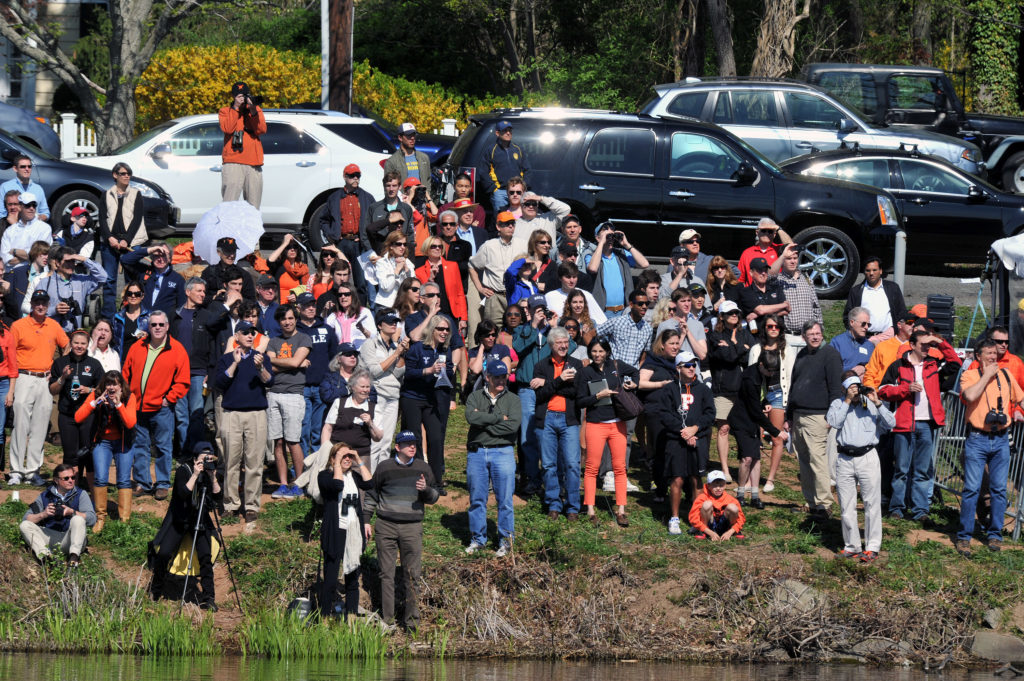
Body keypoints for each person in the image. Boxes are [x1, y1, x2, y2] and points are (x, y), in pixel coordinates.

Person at [878, 329, 960, 520]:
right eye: (923, 344)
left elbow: (955, 363)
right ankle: (897, 508)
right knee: (901, 469)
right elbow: (883, 390)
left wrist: (939, 342)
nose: (927, 348)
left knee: (922, 470)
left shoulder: (934, 365)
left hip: (927, 424)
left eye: (929, 345)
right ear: (912, 345)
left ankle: (920, 510)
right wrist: (905, 389)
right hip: (903, 424)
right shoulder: (897, 366)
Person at [362, 429, 439, 631]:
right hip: (385, 525)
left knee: (412, 574)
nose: (413, 446)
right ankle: (388, 621)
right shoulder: (384, 467)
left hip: (412, 527)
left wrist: (426, 490)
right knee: (386, 574)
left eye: (414, 443)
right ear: (397, 447)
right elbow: (372, 495)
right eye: (408, 444)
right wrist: (366, 520)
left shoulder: (424, 468)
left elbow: (434, 497)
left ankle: (411, 623)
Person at [956, 338, 1024, 556]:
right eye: (989, 353)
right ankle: (964, 536)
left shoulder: (1006, 375)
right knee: (971, 489)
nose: (994, 357)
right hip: (977, 439)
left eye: (995, 353)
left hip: (1002, 438)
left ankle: (995, 534)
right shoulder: (969, 375)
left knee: (998, 489)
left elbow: (1021, 399)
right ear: (978, 356)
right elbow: (970, 396)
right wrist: (986, 375)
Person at [123, 309, 191, 500]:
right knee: (140, 445)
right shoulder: (137, 347)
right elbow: (125, 373)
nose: (158, 328)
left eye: (161, 324)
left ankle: (162, 484)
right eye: (154, 324)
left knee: (163, 447)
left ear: (168, 326)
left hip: (161, 409)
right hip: (137, 407)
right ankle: (143, 483)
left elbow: (183, 380)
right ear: (149, 326)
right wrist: (128, 397)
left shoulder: (177, 349)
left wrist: (169, 399)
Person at [826, 371, 894, 562]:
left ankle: (872, 547)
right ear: (844, 388)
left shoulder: (871, 403)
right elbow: (834, 422)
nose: (856, 391)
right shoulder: (838, 403)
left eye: (857, 386)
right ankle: (852, 546)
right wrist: (847, 401)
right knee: (846, 505)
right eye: (851, 387)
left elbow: (891, 424)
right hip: (845, 458)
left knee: (872, 504)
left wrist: (877, 402)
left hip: (868, 456)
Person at [649, 351, 715, 535]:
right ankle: (675, 518)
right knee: (677, 478)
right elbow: (664, 414)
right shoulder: (669, 390)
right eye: (687, 365)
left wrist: (695, 429)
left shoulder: (703, 390)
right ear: (678, 368)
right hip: (675, 441)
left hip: (697, 439)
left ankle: (697, 519)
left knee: (696, 479)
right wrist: (683, 431)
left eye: (694, 364)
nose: (691, 368)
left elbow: (710, 413)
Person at [149, 443, 221, 609]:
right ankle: (156, 589)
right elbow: (182, 494)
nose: (206, 462)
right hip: (180, 520)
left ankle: (208, 598)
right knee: (164, 553)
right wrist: (195, 475)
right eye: (204, 459)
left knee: (205, 557)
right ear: (195, 459)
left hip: (199, 520)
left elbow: (218, 498)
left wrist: (213, 477)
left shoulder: (210, 472)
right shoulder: (184, 471)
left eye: (209, 458)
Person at [576, 338, 639, 527]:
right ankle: (590, 509)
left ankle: (621, 509)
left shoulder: (616, 365)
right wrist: (597, 396)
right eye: (594, 351)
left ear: (607, 352)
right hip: (596, 424)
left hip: (617, 423)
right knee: (592, 467)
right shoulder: (585, 373)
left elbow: (635, 372)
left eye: (601, 351)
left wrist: (633, 384)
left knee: (619, 467)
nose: (597, 355)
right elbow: (580, 401)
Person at [214, 320, 273, 521]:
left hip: (256, 414)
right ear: (236, 336)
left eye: (252, 333)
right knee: (231, 461)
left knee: (254, 463)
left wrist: (260, 368)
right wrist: (235, 364)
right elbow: (219, 383)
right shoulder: (226, 359)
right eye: (245, 332)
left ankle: (251, 507)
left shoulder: (261, 358)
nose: (250, 336)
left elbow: (270, 381)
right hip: (231, 414)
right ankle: (230, 505)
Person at [9, 290, 69, 486]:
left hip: (45, 379)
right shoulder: (18, 325)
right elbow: (10, 352)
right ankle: (16, 470)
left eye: (44, 302)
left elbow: (68, 346)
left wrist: (59, 369)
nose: (40, 306)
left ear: (48, 304)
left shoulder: (53, 325)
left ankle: (33, 470)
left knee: (40, 426)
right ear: (32, 303)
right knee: (20, 424)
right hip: (24, 377)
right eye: (37, 302)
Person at [786, 321, 844, 518]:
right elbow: (794, 385)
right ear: (804, 336)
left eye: (818, 333)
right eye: (811, 333)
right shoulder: (801, 355)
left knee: (817, 460)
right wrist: (788, 416)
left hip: (818, 416)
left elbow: (836, 388)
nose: (815, 336)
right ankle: (811, 502)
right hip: (798, 415)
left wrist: (832, 415)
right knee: (804, 461)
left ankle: (824, 504)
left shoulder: (830, 355)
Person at [464, 362, 522, 555]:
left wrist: (483, 420)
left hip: (503, 451)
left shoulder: (513, 399)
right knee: (477, 499)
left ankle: (505, 542)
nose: (500, 380)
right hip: (477, 452)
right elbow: (471, 418)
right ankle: (478, 539)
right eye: (496, 377)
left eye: (503, 376)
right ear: (487, 377)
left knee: (505, 499)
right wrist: (499, 418)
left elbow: (512, 427)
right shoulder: (474, 396)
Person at [400, 315, 459, 494]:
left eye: (447, 329)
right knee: (415, 439)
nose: (444, 332)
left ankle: (436, 481)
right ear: (432, 330)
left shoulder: (444, 350)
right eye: (440, 329)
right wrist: (427, 370)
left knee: (435, 437)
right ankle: (419, 479)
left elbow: (448, 370)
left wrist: (449, 371)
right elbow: (407, 373)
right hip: (412, 397)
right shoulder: (418, 348)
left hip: (431, 399)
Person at [75, 370, 138, 531]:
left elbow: (130, 423)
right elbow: (78, 417)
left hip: (123, 443)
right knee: (100, 478)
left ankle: (124, 520)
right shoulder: (96, 395)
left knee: (123, 480)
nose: (111, 387)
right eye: (108, 384)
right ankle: (100, 518)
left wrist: (118, 404)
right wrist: (95, 402)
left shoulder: (129, 397)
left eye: (115, 384)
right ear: (104, 385)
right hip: (103, 442)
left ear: (120, 386)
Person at [316, 443, 372, 620]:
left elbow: (370, 483)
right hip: (335, 531)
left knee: (353, 577)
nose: (347, 459)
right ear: (332, 459)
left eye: (349, 456)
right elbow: (338, 485)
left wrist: (358, 459)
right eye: (342, 456)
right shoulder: (324, 476)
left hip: (354, 531)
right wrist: (338, 463)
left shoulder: (354, 476)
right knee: (331, 579)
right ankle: (324, 618)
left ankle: (352, 619)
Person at [533, 327, 583, 521]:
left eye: (566, 342)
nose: (563, 346)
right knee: (548, 465)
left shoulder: (576, 364)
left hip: (568, 419)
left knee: (571, 464)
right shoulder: (541, 366)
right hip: (546, 419)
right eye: (559, 342)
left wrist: (549, 383)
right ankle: (553, 503)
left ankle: (572, 507)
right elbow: (539, 396)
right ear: (551, 345)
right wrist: (559, 380)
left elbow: (576, 393)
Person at [708, 301, 757, 487]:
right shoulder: (715, 336)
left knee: (743, 429)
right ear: (721, 316)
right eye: (729, 313)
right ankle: (725, 470)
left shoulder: (745, 333)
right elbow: (727, 358)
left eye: (736, 312)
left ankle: (744, 467)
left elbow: (752, 354)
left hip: (743, 388)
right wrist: (738, 347)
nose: (734, 316)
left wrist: (732, 347)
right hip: (724, 387)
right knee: (723, 429)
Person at [266, 304, 312, 499]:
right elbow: (272, 366)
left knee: (293, 441)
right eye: (284, 319)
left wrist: (290, 362)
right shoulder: (273, 341)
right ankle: (283, 484)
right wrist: (296, 363)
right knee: (278, 441)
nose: (287, 322)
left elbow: (288, 362)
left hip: (294, 394)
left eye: (291, 318)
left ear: (296, 319)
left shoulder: (304, 338)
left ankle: (299, 483)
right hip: (273, 393)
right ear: (279, 321)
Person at [747, 314, 796, 493]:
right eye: (770, 326)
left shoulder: (787, 350)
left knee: (777, 437)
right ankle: (751, 476)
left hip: (777, 393)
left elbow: (790, 377)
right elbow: (750, 375)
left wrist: (789, 402)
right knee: (754, 436)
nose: (774, 329)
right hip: (759, 394)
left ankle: (770, 478)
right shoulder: (755, 349)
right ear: (764, 328)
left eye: (777, 326)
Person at [360, 309, 409, 471]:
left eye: (395, 322)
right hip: (377, 396)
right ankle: (371, 480)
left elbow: (399, 372)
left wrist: (402, 353)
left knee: (387, 442)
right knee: (376, 440)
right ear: (380, 325)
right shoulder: (370, 344)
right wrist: (396, 354)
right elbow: (374, 371)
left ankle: (381, 479)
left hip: (393, 396)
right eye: (389, 322)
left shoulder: (395, 345)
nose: (394, 324)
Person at [49, 329, 104, 472]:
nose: (79, 346)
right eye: (76, 343)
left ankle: (90, 489)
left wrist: (89, 390)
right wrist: (62, 378)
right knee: (70, 455)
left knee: (87, 453)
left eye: (83, 343)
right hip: (67, 415)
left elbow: (103, 390)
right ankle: (71, 489)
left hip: (88, 415)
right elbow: (52, 390)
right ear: (71, 344)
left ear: (88, 345)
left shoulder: (94, 364)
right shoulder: (60, 363)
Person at [19, 463, 95, 565]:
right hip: (50, 537)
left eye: (73, 477)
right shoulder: (45, 495)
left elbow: (92, 519)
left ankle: (74, 558)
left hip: (72, 538)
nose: (71, 480)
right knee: (25, 525)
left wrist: (72, 512)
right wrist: (44, 514)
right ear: (56, 480)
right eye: (66, 478)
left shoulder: (81, 494)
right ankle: (47, 558)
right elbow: (26, 518)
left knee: (78, 519)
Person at [98, 163, 145, 319]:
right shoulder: (106, 195)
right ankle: (109, 315)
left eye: (129, 173)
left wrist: (126, 239)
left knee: (131, 280)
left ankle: (130, 312)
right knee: (109, 279)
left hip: (130, 241)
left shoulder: (136, 194)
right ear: (115, 175)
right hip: (110, 240)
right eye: (123, 173)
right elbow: (102, 219)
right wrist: (109, 237)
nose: (127, 176)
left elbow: (137, 219)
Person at [26, 246, 106, 333]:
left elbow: (103, 277)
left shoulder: (81, 281)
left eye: (73, 261)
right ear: (57, 263)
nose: (71, 264)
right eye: (67, 261)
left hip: (74, 335)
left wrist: (84, 259)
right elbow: (34, 310)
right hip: (50, 334)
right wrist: (54, 310)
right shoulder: (45, 283)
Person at [320, 164, 374, 292]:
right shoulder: (334, 198)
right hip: (341, 243)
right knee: (338, 279)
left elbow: (374, 221)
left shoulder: (367, 197)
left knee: (361, 282)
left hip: (359, 243)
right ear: (345, 177)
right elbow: (323, 220)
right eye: (352, 176)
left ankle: (360, 309)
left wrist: (365, 237)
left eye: (358, 176)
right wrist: (332, 234)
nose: (355, 178)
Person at [469, 211, 527, 326]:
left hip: (516, 295)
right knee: (492, 331)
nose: (511, 226)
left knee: (518, 331)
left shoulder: (523, 244)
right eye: (506, 224)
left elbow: (533, 265)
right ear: (498, 227)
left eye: (512, 223)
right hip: (495, 297)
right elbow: (472, 266)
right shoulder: (489, 246)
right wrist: (480, 288)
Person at [321, 368, 383, 466]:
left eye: (368, 387)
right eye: (362, 387)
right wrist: (325, 450)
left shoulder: (374, 407)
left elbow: (378, 437)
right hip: (338, 454)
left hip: (361, 456)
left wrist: (370, 423)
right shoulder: (339, 403)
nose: (366, 390)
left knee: (362, 481)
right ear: (353, 387)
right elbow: (327, 428)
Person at [219, 81, 267, 207]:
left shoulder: (255, 110)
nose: (242, 98)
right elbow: (228, 129)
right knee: (228, 205)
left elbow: (261, 129)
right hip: (233, 162)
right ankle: (226, 226)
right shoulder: (225, 111)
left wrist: (253, 110)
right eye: (239, 96)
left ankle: (251, 227)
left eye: (244, 95)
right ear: (233, 97)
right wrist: (235, 108)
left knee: (253, 207)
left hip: (253, 163)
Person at [585, 223, 649, 315]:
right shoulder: (590, 255)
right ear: (597, 238)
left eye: (611, 235)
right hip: (602, 311)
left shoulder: (621, 254)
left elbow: (644, 264)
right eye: (606, 235)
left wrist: (626, 245)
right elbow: (593, 268)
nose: (610, 239)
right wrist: (601, 242)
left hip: (623, 310)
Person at [844, 257, 908, 342]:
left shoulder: (892, 288)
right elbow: (848, 316)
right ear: (864, 272)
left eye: (874, 270)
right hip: (865, 339)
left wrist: (896, 331)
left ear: (880, 271)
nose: (871, 273)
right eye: (868, 270)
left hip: (888, 338)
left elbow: (902, 312)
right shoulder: (856, 291)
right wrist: (856, 333)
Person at [416, 235, 467, 335]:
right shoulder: (419, 271)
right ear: (427, 248)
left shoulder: (453, 266)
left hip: (451, 314)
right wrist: (430, 279)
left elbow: (460, 293)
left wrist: (463, 318)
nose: (437, 248)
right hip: (432, 315)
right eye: (433, 246)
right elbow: (422, 297)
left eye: (440, 246)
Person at [119, 242, 185, 318]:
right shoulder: (143, 272)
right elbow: (124, 260)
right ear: (152, 257)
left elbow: (181, 308)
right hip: (141, 321)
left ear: (170, 259)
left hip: (163, 325)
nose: (160, 259)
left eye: (164, 255)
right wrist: (149, 250)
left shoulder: (178, 279)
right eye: (156, 255)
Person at [478, 120, 530, 212]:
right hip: (500, 193)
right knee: (502, 219)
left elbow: (527, 169)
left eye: (510, 130)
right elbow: (483, 171)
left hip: (517, 192)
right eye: (505, 130)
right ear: (497, 133)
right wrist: (494, 189)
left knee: (519, 219)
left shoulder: (518, 149)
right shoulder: (491, 150)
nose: (508, 133)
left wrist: (523, 188)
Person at [596, 289, 652, 368]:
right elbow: (590, 335)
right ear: (631, 304)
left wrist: (635, 372)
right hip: (614, 372)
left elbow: (644, 356)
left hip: (632, 375)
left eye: (647, 304)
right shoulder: (616, 322)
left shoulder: (648, 329)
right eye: (640, 304)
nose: (644, 307)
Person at [688, 470, 745, 541]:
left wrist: (731, 531)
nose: (718, 488)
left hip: (724, 525)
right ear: (708, 486)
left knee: (733, 507)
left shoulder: (730, 499)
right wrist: (710, 532)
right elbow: (693, 518)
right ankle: (702, 531)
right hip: (708, 525)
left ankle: (733, 530)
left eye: (721, 485)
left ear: (725, 485)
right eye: (714, 485)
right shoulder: (701, 498)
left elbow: (741, 519)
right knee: (707, 504)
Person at [654, 287, 708, 362]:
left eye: (689, 300)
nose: (687, 304)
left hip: (694, 370)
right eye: (683, 301)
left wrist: (688, 332)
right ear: (675, 303)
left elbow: (702, 355)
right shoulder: (664, 326)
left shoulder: (698, 325)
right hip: (673, 371)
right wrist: (682, 336)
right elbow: (660, 353)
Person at [738, 257, 789, 334]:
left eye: (765, 270)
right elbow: (760, 310)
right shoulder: (746, 292)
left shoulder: (776, 288)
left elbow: (786, 310)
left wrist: (757, 315)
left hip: (777, 334)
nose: (763, 273)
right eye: (759, 270)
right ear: (751, 273)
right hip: (757, 336)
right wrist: (782, 305)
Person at [366, 173, 414, 253]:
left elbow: (410, 234)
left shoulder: (406, 208)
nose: (391, 189)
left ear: (399, 187)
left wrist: (409, 256)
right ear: (384, 187)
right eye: (388, 185)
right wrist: (371, 253)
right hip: (380, 253)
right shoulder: (374, 208)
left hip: (401, 253)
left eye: (394, 185)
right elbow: (366, 233)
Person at [368, 230, 415, 308]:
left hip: (403, 306)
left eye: (404, 244)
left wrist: (407, 271)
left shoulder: (408, 263)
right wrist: (397, 270)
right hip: (385, 306)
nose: (402, 247)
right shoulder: (382, 262)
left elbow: (412, 288)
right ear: (391, 246)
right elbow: (386, 287)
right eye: (399, 244)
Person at [1, 192, 51, 266]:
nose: (31, 208)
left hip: (35, 273)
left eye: (34, 205)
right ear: (19, 207)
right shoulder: (10, 230)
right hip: (12, 273)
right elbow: (5, 258)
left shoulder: (45, 228)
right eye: (28, 205)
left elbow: (41, 254)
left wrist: (14, 251)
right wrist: (30, 255)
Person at [737, 218, 792, 285]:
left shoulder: (779, 250)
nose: (766, 233)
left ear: (774, 234)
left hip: (775, 292)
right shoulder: (747, 253)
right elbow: (740, 280)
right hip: (752, 293)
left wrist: (777, 228)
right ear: (757, 232)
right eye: (763, 231)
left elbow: (791, 247)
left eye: (770, 231)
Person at [201, 237, 257, 302]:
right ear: (219, 252)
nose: (232, 255)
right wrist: (214, 297)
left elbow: (251, 300)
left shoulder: (244, 274)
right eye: (228, 251)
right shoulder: (209, 272)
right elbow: (200, 297)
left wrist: (236, 298)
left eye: (234, 251)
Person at [5, 239, 49, 318]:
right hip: (19, 320)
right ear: (35, 253)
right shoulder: (17, 273)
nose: (47, 257)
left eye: (48, 255)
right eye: (44, 254)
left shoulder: (48, 276)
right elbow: (8, 298)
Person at [0, 155, 49, 221]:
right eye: (23, 167)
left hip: (34, 228)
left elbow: (45, 213)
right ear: (15, 168)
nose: (27, 169)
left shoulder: (38, 189)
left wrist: (38, 219)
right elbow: (1, 213)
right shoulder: (5, 187)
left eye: (29, 166)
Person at [110, 281, 150, 360]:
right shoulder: (117, 318)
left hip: (141, 361)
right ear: (126, 296)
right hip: (121, 361)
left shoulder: (150, 317)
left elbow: (159, 340)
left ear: (142, 296)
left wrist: (148, 337)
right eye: (129, 293)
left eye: (137, 294)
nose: (133, 296)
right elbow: (111, 341)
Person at [831, 306, 875, 375]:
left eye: (868, 324)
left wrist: (864, 367)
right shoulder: (837, 342)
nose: (866, 327)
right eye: (863, 324)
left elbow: (875, 368)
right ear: (852, 322)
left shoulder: (870, 346)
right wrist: (851, 373)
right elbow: (832, 369)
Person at [267, 235, 310, 305]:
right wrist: (285, 243)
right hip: (280, 308)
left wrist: (297, 295)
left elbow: (307, 289)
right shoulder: (279, 266)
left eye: (295, 247)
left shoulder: (303, 268)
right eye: (288, 247)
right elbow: (270, 261)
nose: (292, 249)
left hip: (297, 309)